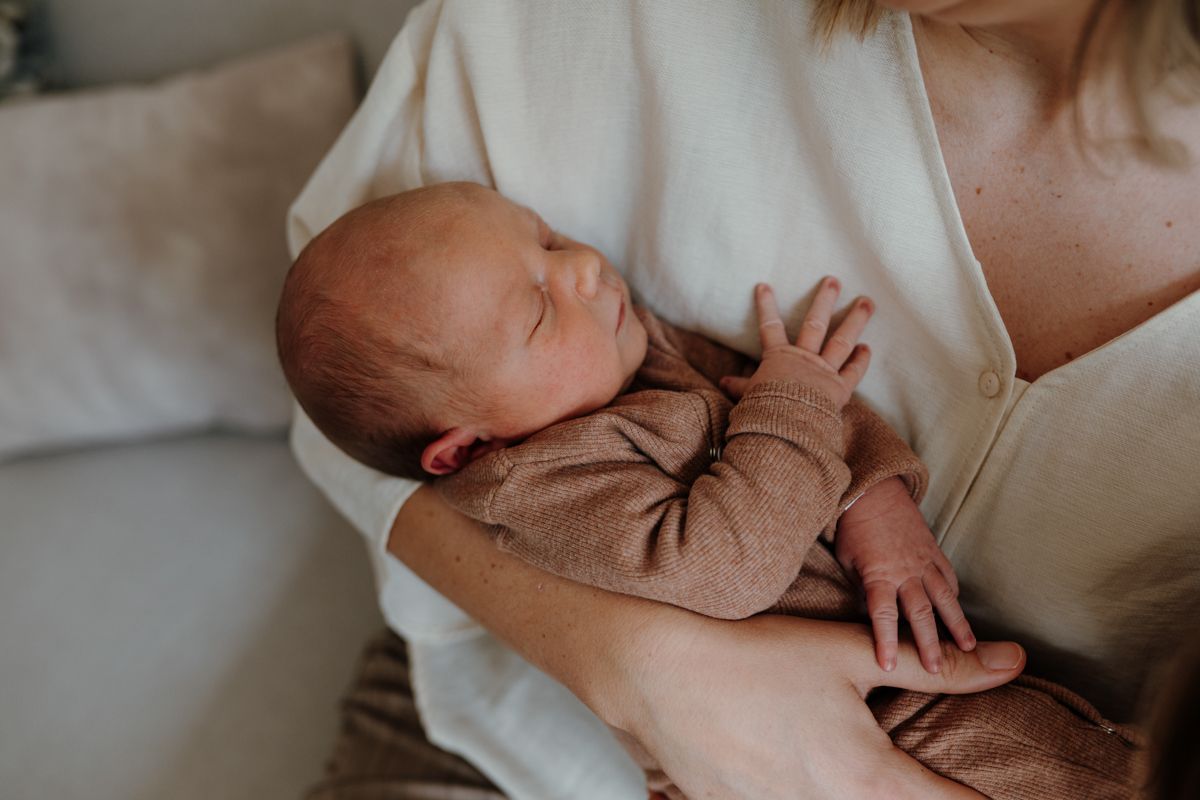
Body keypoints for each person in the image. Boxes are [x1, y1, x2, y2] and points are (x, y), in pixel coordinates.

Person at [286, 1, 1200, 797]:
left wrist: (873, 501)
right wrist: (626, 665)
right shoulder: (541, 478)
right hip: (555, 727)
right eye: (535, 307)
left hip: (935, 697)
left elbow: (795, 407)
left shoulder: (621, 360)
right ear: (467, 449)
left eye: (553, 239)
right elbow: (731, 551)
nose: (584, 268)